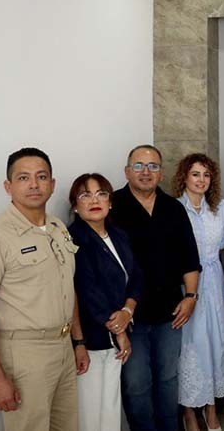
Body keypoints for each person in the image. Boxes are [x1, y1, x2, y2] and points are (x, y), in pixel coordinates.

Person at [0, 148, 83, 431]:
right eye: (23, 178)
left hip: (63, 349)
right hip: (24, 354)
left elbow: (68, 287)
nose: (34, 184)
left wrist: (77, 342)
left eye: (41, 177)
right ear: (8, 186)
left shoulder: (58, 228)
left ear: (52, 185)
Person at [111, 144, 201, 431]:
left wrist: (191, 296)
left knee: (167, 379)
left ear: (161, 173)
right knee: (136, 384)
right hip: (129, 315)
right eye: (138, 166)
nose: (145, 172)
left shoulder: (174, 208)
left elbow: (190, 257)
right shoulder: (112, 206)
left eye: (152, 166)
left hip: (169, 312)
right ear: (127, 171)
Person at [68, 173, 142, 431]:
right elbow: (86, 290)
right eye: (85, 195)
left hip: (116, 333)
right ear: (75, 206)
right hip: (90, 337)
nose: (94, 200)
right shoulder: (74, 239)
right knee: (89, 409)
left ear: (110, 201)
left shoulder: (118, 235)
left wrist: (127, 309)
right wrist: (118, 328)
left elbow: (135, 276)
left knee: (110, 404)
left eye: (101, 193)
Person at [172, 154, 224, 431]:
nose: (201, 180)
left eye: (206, 175)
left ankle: (212, 411)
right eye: (195, 174)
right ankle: (189, 412)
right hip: (186, 283)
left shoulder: (219, 207)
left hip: (213, 279)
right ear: (184, 177)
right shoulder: (175, 208)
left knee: (215, 342)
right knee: (191, 346)